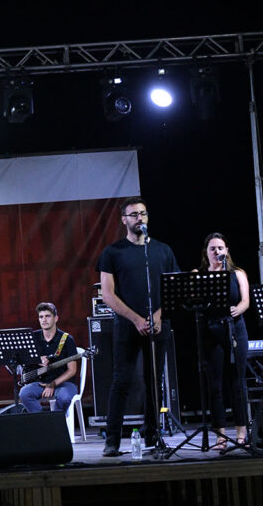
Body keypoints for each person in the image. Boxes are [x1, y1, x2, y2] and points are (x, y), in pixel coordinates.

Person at [97, 196, 179, 457]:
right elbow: (107, 294)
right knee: (121, 380)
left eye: (143, 213)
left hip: (158, 324)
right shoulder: (113, 252)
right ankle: (112, 440)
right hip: (127, 325)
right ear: (124, 219)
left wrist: (158, 315)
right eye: (133, 215)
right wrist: (135, 319)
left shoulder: (163, 250)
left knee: (154, 381)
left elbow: (174, 289)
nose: (139, 218)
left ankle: (153, 435)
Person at [193, 233, 250, 449]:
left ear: (226, 251)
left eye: (220, 248)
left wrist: (239, 309)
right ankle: (220, 436)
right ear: (206, 252)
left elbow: (245, 301)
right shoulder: (199, 275)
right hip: (210, 329)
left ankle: (242, 433)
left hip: (235, 328)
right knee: (215, 384)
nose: (217, 252)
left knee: (237, 383)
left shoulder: (237, 273)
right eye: (212, 248)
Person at [18, 302, 80, 414]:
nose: (44, 320)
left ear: (56, 318)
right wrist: (37, 359)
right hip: (40, 382)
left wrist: (52, 384)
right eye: (41, 317)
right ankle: (43, 421)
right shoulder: (33, 337)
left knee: (64, 398)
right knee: (24, 394)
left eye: (47, 316)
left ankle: (56, 421)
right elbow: (22, 359)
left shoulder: (67, 339)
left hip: (63, 383)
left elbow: (72, 370)